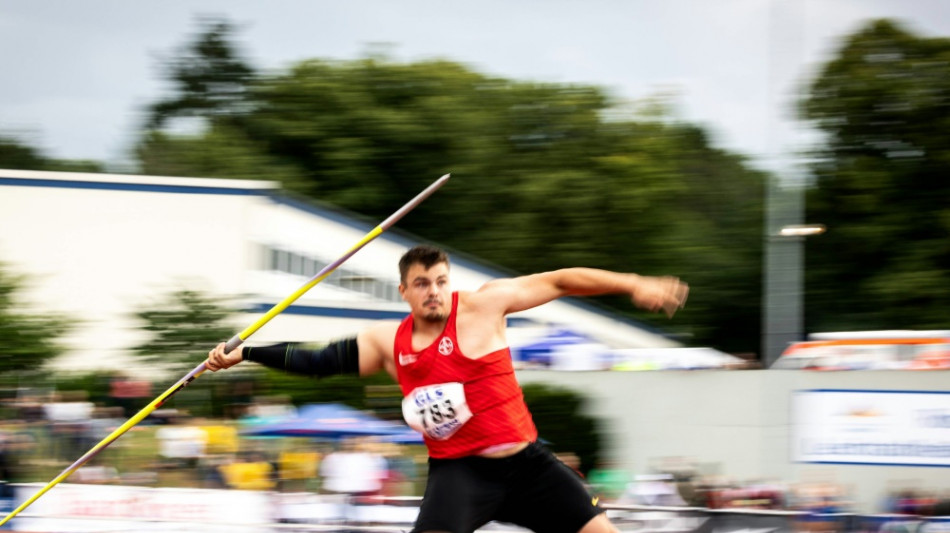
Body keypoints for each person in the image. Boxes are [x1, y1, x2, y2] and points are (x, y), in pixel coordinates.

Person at [207, 244, 688, 533]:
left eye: (440, 281)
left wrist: (632, 283)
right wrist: (247, 352)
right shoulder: (385, 343)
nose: (433, 290)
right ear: (404, 291)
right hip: (460, 474)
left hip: (530, 467)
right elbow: (317, 361)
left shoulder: (484, 306)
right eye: (421, 284)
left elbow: (561, 281)